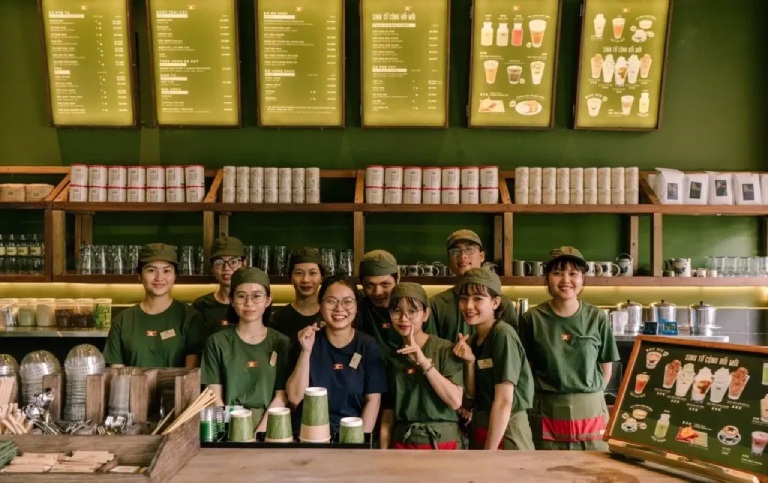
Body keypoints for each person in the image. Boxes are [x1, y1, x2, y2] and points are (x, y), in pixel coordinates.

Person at [519, 246, 620, 450]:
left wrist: (590, 395)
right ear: (547, 278)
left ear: (582, 279)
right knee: (547, 467)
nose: (566, 280)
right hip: (547, 410)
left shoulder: (597, 318)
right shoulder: (532, 319)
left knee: (595, 467)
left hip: (591, 411)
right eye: (557, 273)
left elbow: (606, 367)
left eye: (573, 273)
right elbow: (526, 369)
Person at [286, 275, 387, 436]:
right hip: (309, 434)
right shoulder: (307, 341)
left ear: (356, 306)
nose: (339, 308)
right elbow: (295, 398)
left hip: (352, 434)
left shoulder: (367, 345)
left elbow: (373, 400)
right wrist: (306, 351)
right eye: (331, 301)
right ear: (320, 305)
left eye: (347, 301)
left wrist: (358, 440)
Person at [453, 267, 535, 450]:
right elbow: (473, 396)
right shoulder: (475, 339)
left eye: (478, 299)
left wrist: (489, 452)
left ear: (495, 302)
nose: (468, 306)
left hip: (508, 429)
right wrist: (470, 362)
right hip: (484, 425)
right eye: (464, 298)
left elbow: (505, 400)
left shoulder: (502, 335)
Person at [201, 267, 291, 432]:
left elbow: (281, 397)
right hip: (228, 427)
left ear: (268, 300)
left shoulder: (281, 343)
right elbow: (213, 397)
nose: (249, 303)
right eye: (241, 296)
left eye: (256, 296)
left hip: (271, 427)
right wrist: (231, 433)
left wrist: (259, 435)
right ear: (231, 300)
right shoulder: (216, 342)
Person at [379, 283, 464, 450]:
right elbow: (388, 414)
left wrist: (424, 362)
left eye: (412, 311)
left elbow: (455, 401)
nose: (404, 318)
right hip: (404, 442)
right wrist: (383, 453)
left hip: (443, 442)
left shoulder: (445, 349)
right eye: (396, 311)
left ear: (425, 314)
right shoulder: (392, 358)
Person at [104, 243, 206, 368]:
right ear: (139, 275)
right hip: (131, 382)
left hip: (179, 382)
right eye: (151, 270)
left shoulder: (190, 317)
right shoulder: (122, 321)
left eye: (166, 271)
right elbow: (117, 373)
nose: (159, 277)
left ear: (175, 276)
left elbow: (192, 373)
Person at [429, 230, 518, 343]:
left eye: (469, 249)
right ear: (449, 259)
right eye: (455, 251)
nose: (463, 256)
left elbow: (511, 344)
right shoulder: (437, 304)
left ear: (482, 256)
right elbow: (431, 347)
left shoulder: (503, 304)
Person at [356, 250, 409, 361]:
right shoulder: (356, 306)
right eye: (370, 285)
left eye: (385, 284)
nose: (377, 292)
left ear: (398, 278)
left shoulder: (413, 306)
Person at [192, 236, 246, 336]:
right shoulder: (201, 305)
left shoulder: (253, 305)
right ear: (212, 267)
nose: (226, 268)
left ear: (244, 264)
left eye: (233, 262)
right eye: (219, 262)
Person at [271, 247, 324, 345]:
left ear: (321, 278)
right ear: (290, 278)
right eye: (299, 273)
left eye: (312, 273)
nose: (305, 280)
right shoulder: (278, 319)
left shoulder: (330, 315)